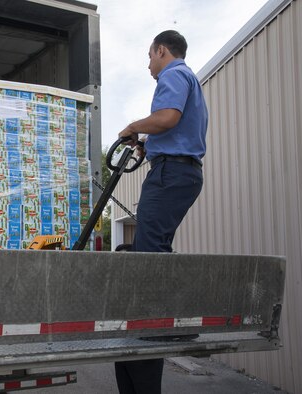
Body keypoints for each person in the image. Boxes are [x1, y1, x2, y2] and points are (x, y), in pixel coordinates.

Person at [115, 30, 208, 394]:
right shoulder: (189, 79)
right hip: (177, 169)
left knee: (149, 252)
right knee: (154, 247)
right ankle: (162, 319)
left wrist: (133, 127)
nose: (149, 65)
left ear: (161, 50)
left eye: (150, 56)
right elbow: (172, 127)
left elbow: (167, 117)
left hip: (172, 172)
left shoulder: (173, 74)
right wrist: (146, 143)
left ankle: (159, 322)